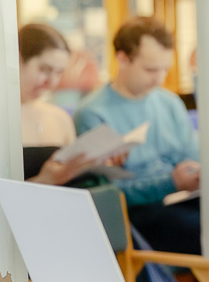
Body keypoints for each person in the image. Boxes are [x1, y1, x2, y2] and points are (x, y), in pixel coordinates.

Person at [75, 17, 202, 255]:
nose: (159, 78)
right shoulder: (93, 113)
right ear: (122, 59)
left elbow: (192, 157)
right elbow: (110, 194)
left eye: (166, 68)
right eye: (151, 69)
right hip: (136, 213)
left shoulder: (169, 102)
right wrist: (171, 182)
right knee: (207, 229)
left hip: (179, 201)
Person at [18, 24, 93, 185]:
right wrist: (44, 181)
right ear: (17, 60)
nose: (51, 82)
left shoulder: (61, 118)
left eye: (59, 73)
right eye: (44, 69)